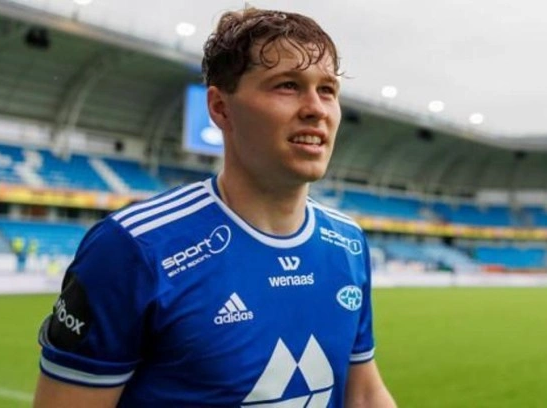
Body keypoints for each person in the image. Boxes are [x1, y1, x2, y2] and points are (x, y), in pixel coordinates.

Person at [33, 7, 397, 408]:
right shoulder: (133, 248)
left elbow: (364, 394)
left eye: (327, 90)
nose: (317, 108)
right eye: (288, 85)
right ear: (220, 108)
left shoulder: (347, 243)